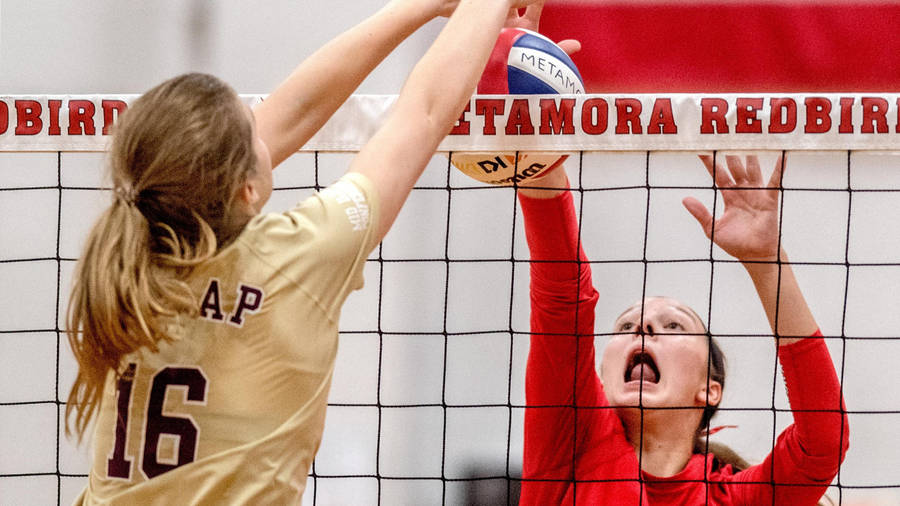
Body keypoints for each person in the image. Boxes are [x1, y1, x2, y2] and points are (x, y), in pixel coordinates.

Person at [64, 0, 543, 502]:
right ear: (245, 187)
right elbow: (423, 114)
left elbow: (294, 112)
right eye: (253, 129)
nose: (264, 121)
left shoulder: (131, 258)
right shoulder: (298, 257)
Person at [516, 154, 850, 505]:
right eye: (626, 325)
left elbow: (823, 444)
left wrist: (767, 263)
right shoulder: (567, 445)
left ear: (708, 390)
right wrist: (539, 156)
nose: (643, 326)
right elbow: (561, 298)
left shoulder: (734, 496)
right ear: (601, 378)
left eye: (674, 325)